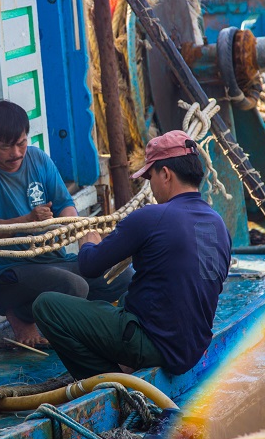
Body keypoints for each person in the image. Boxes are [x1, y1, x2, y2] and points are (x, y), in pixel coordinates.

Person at [32, 130, 232, 379]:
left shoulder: (151, 217)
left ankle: (105, 379)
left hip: (153, 345)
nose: (151, 186)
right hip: (191, 348)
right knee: (129, 292)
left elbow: (90, 266)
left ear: (166, 174)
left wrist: (88, 242)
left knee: (47, 305)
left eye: (150, 177)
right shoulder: (218, 224)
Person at [0, 101, 132, 347]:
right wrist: (26, 222)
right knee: (74, 286)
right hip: (7, 272)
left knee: (121, 276)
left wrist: (84, 238)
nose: (16, 153)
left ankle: (53, 316)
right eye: (6, 147)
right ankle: (21, 313)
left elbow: (65, 205)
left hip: (52, 260)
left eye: (21, 143)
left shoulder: (38, 158)